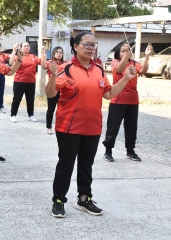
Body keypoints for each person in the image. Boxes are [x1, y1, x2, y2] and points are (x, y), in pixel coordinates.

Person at [45, 31, 137, 218]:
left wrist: (126, 78)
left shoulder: (99, 70)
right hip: (68, 127)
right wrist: (53, 77)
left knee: (86, 164)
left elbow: (109, 94)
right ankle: (59, 200)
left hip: (93, 126)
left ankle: (84, 199)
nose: (91, 48)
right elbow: (50, 94)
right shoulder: (66, 68)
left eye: (93, 45)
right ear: (76, 46)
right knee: (66, 164)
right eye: (86, 44)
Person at [102, 43, 151, 162]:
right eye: (122, 51)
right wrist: (126, 56)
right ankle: (108, 151)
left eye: (127, 50)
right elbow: (119, 69)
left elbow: (144, 70)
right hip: (118, 100)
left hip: (133, 100)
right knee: (113, 127)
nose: (125, 52)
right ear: (118, 53)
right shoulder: (115, 62)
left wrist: (147, 56)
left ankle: (130, 151)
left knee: (131, 127)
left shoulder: (134, 63)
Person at [9, 42, 45, 123]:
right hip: (19, 81)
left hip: (31, 82)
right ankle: (13, 115)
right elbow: (11, 62)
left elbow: (43, 63)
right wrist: (14, 50)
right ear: (21, 48)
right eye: (24, 46)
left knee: (30, 99)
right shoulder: (18, 56)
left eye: (28, 46)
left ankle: (31, 115)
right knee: (17, 99)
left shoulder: (33, 57)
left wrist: (43, 52)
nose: (26, 47)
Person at [42, 46, 66, 135]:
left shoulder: (66, 63)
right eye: (57, 52)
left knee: (62, 109)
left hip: (63, 89)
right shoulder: (50, 63)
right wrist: (43, 53)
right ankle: (49, 127)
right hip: (52, 88)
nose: (59, 54)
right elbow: (44, 65)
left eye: (61, 52)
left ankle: (61, 127)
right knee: (51, 109)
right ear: (54, 53)